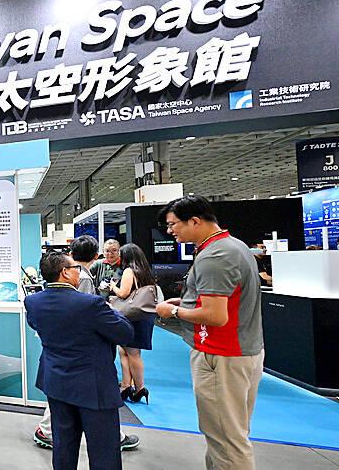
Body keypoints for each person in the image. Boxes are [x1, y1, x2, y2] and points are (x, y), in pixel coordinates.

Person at [156, 196, 265, 470]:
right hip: (239, 350)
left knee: (227, 440)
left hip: (221, 354)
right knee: (227, 433)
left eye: (173, 224)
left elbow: (216, 316)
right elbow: (223, 300)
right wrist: (187, 302)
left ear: (195, 221)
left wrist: (174, 312)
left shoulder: (215, 256)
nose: (170, 231)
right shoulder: (233, 246)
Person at [25, 252, 135, 470]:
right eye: (76, 268)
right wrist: (113, 311)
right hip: (93, 386)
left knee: (63, 446)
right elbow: (125, 333)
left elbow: (36, 325)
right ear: (64, 272)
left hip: (56, 382)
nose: (79, 272)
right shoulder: (91, 304)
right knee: (104, 451)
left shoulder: (33, 301)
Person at [109, 243, 157, 404]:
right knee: (125, 351)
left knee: (133, 353)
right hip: (143, 315)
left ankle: (140, 387)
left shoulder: (129, 271)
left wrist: (113, 287)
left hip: (133, 317)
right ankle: (126, 385)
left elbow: (123, 293)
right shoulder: (145, 271)